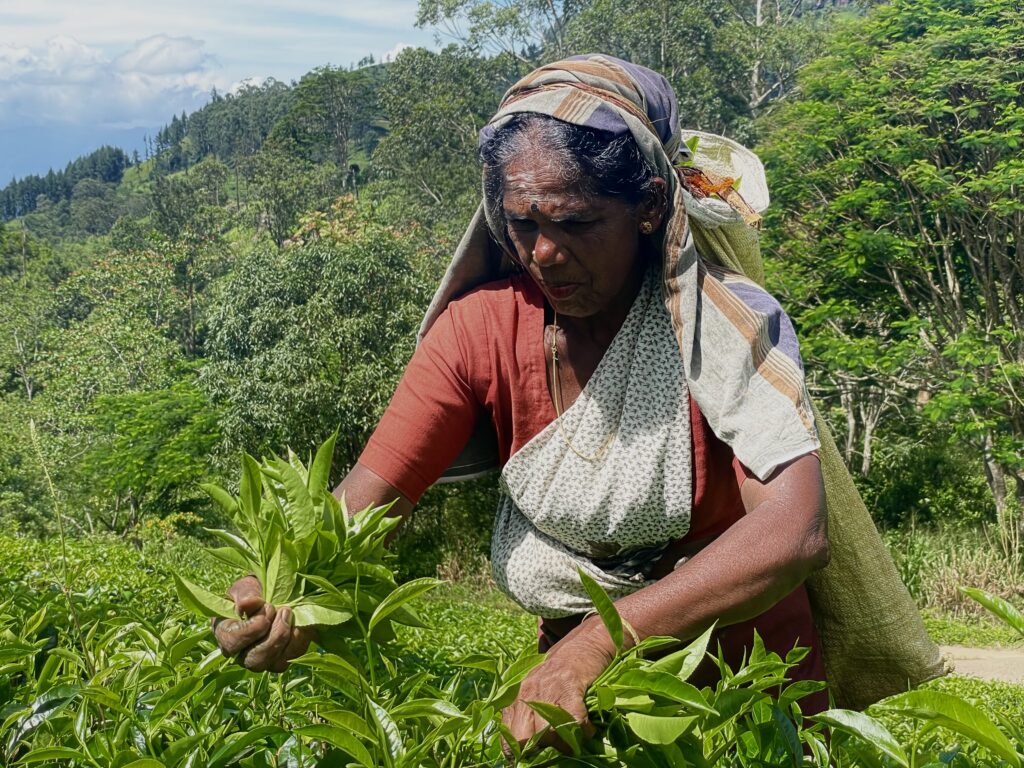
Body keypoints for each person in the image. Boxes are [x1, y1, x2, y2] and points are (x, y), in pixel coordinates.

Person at [213, 54, 831, 748]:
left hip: (748, 699)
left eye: (575, 223)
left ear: (651, 207)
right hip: (565, 701)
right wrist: (279, 589)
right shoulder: (481, 331)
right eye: (521, 224)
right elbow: (363, 508)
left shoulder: (723, 324)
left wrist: (600, 639)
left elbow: (793, 528)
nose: (543, 253)